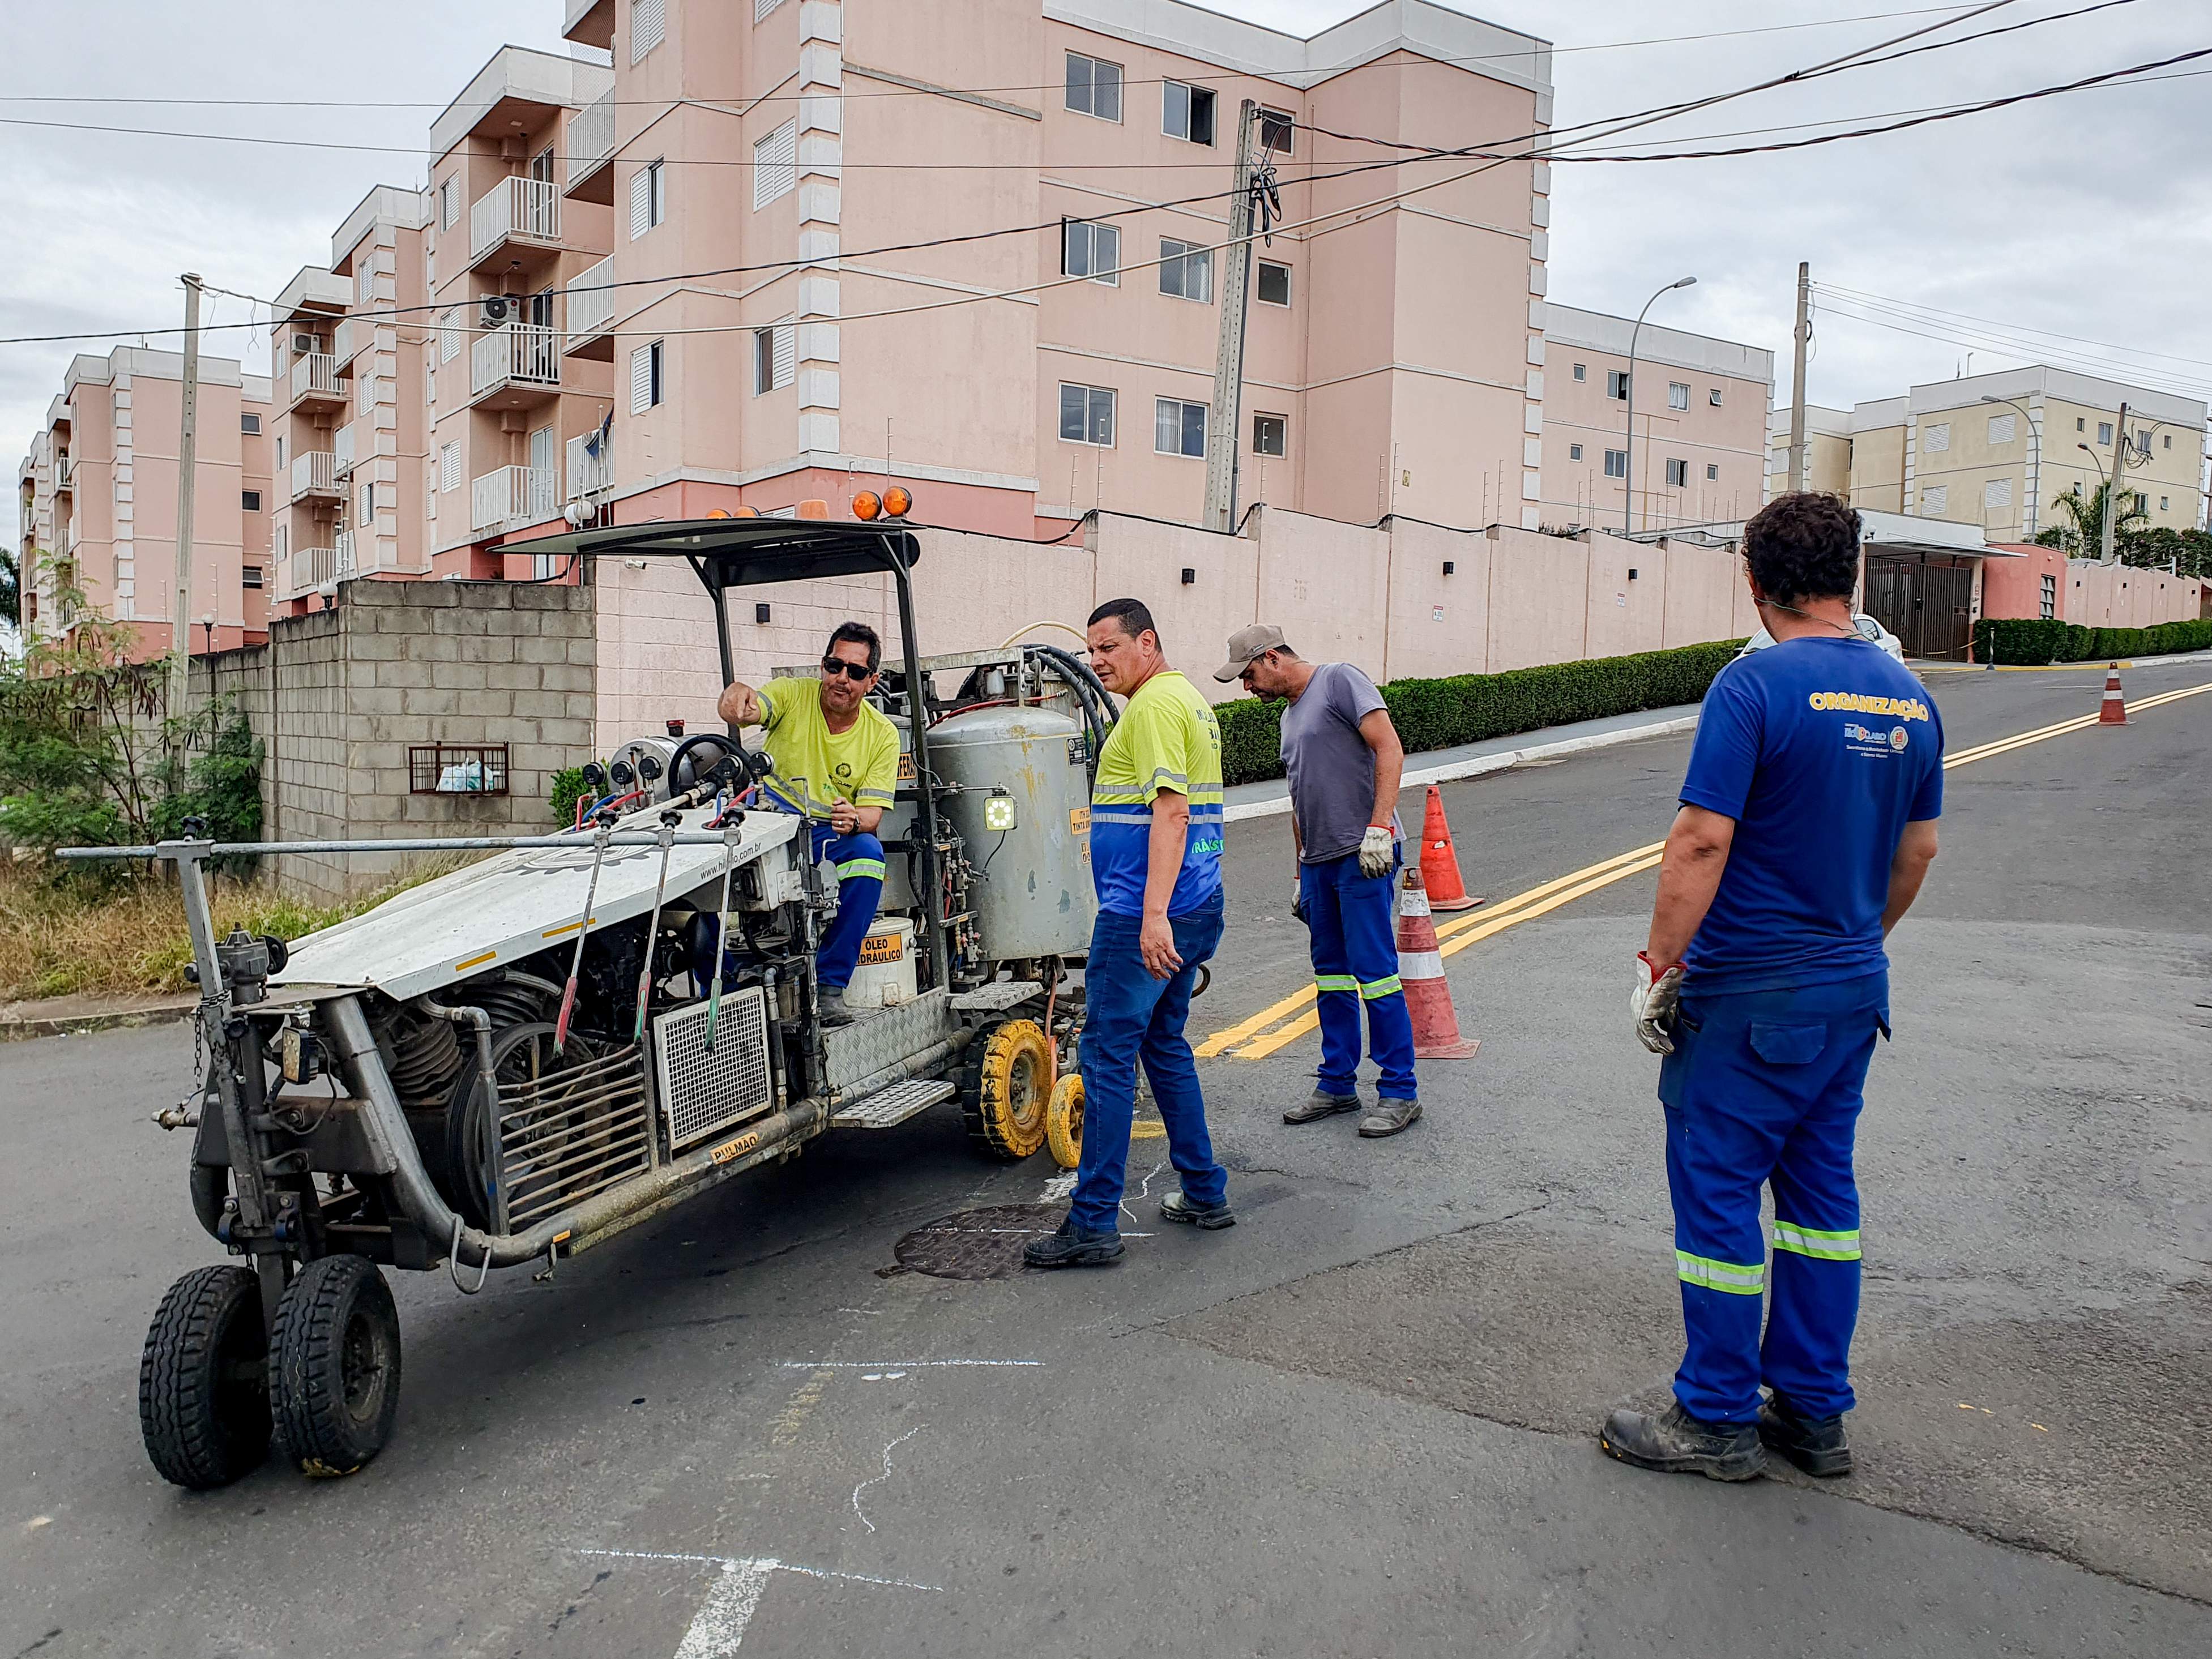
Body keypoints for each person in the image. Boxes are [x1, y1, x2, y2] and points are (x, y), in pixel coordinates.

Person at [1603, 491, 1942, 1482]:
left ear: (1754, 581)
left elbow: (1701, 839)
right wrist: (1852, 943)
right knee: (1819, 1203)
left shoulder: (1751, 690)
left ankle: (1713, 1416)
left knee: (1717, 1205)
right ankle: (1812, 1411)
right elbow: (1916, 852)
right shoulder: (1909, 697)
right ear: (1855, 576)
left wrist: (1658, 968)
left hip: (1748, 995)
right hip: (1848, 993)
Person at [1026, 598, 1231, 1269]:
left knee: (1108, 1058)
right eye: (1091, 650)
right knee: (1163, 1045)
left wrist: (1150, 916)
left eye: (1109, 647)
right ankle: (1203, 1190)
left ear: (1148, 640)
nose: (1096, 661)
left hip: (1143, 915)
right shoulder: (1188, 701)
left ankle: (1092, 1223)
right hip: (1196, 904)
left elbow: (1170, 813)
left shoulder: (1152, 710)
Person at [1216, 625, 1418, 1137]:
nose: (1248, 687)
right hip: (1321, 861)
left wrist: (1379, 827)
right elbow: (1300, 797)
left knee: (1376, 974)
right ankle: (1337, 1084)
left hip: (1363, 854)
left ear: (1273, 658)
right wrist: (1299, 870)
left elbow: (1389, 749)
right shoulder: (1288, 719)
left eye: (1249, 674)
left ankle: (1399, 1091)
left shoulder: (1340, 681)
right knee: (1329, 975)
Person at [717, 621, 900, 1027]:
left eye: (855, 672)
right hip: (765, 822)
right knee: (703, 872)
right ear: (822, 667)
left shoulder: (882, 735)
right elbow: (750, 706)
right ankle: (726, 986)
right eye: (835, 666)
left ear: (871, 682)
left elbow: (870, 817)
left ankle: (830, 986)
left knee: (869, 857)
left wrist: (853, 820)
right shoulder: (792, 694)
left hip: (823, 835)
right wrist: (736, 699)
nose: (842, 679)